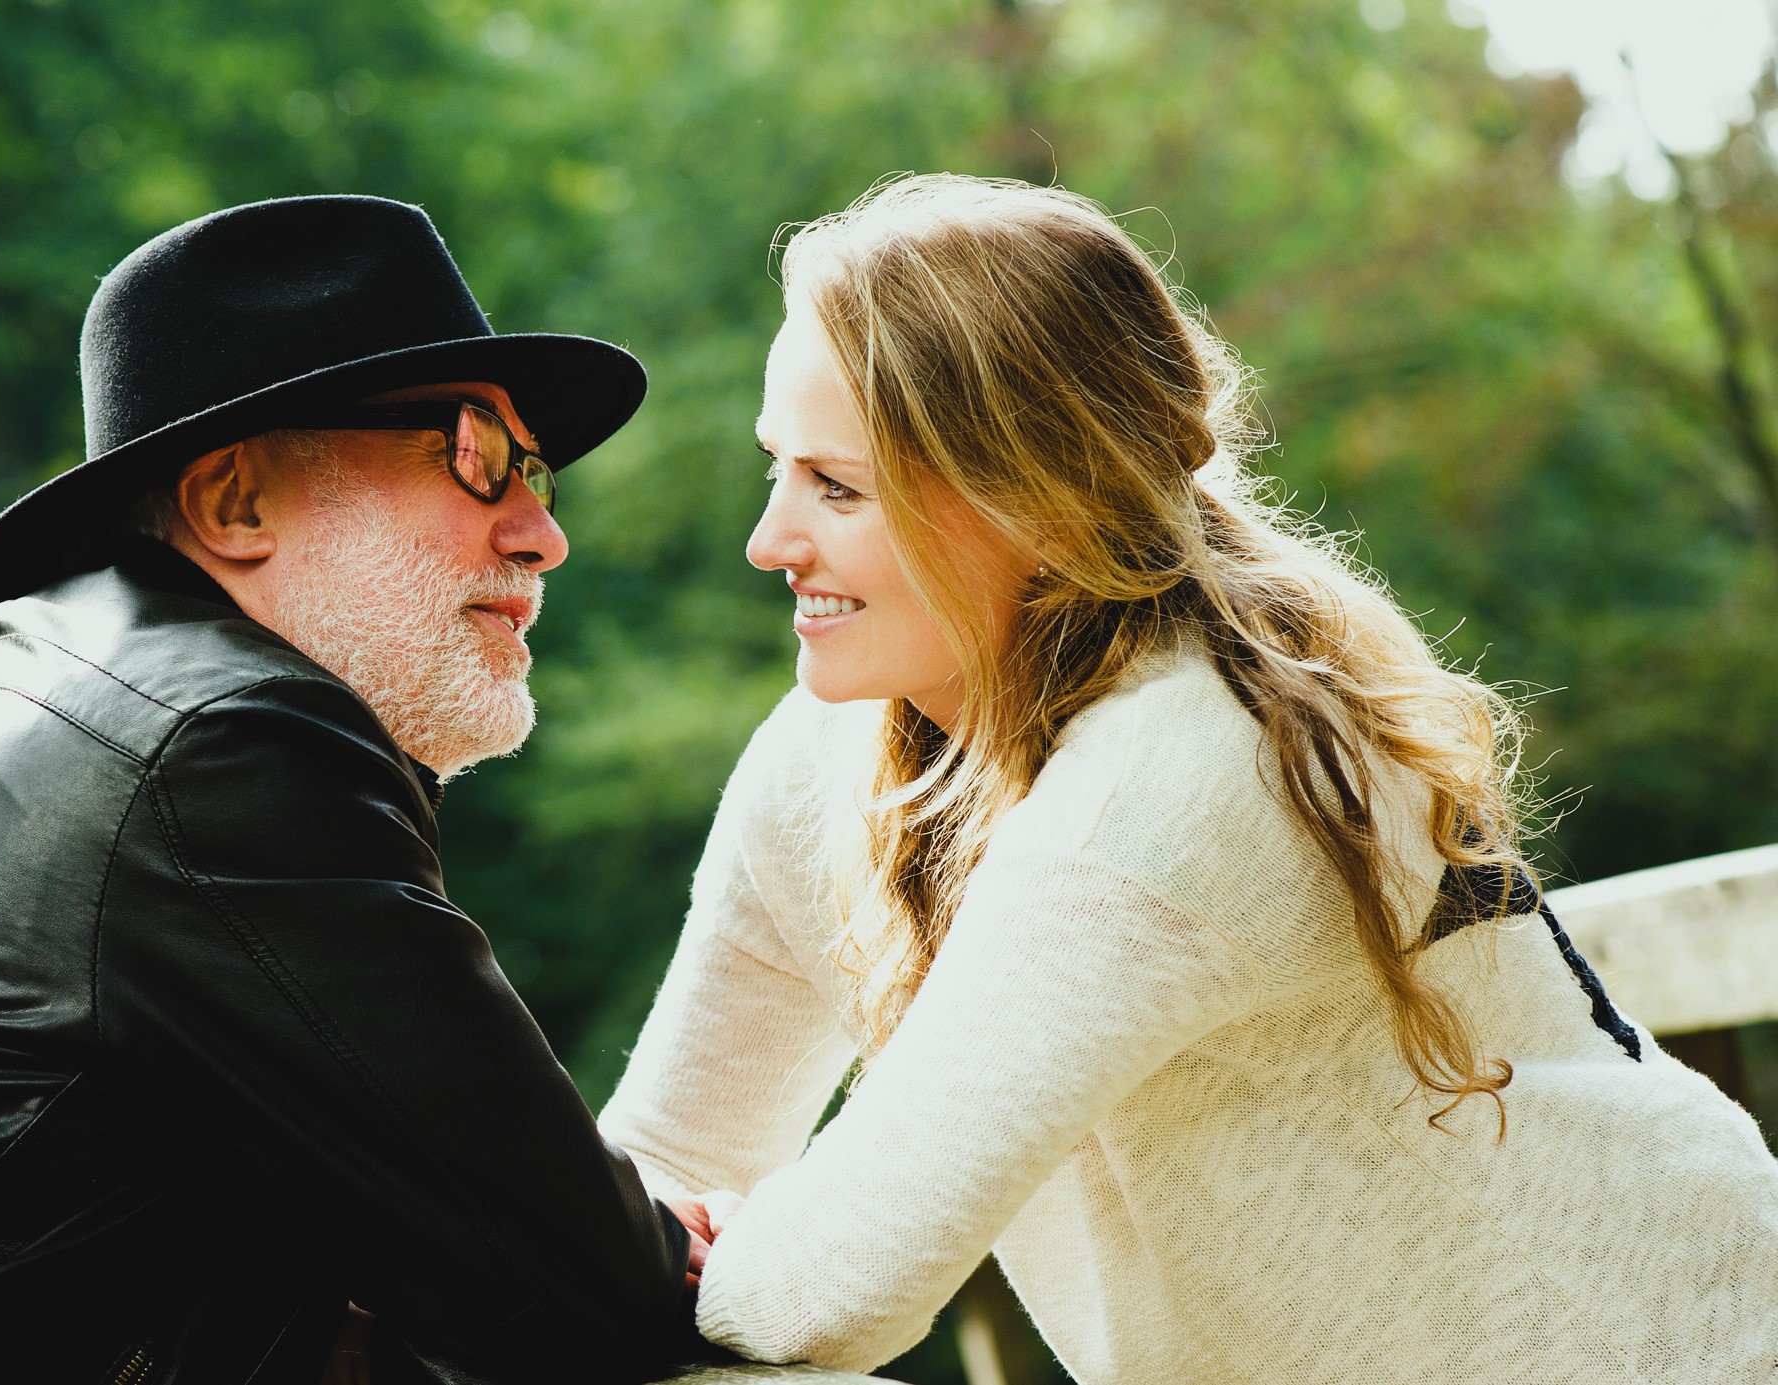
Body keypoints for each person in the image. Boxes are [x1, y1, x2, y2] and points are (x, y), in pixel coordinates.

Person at [600, 174, 1778, 1384]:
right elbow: (661, 1160)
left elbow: (830, 1289)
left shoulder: (1191, 771)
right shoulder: (825, 756)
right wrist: (655, 1237)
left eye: (838, 488)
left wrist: (712, 1246)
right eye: (775, 469)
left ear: (1042, 500)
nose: (769, 541)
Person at [0, 195, 709, 1383]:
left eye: (537, 473)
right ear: (234, 502)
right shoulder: (225, 744)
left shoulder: (101, 704)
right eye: (474, 452)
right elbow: (578, 1291)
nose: (540, 532)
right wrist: (666, 1239)